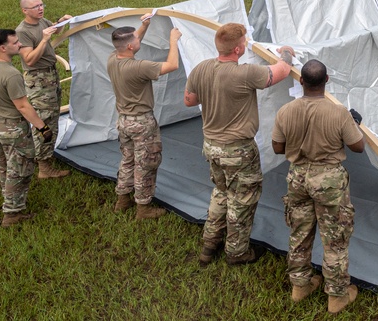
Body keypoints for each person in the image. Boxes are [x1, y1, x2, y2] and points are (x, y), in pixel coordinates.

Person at [183, 24, 295, 267]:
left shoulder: (201, 68)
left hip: (211, 146)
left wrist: (213, 93)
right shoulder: (246, 73)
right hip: (238, 150)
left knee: (221, 192)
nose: (246, 44)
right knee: (241, 200)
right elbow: (282, 71)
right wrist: (286, 52)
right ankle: (237, 252)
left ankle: (209, 244)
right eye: (244, 42)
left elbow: (189, 100)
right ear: (237, 49)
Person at [272, 60, 365, 314]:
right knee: (335, 238)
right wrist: (354, 124)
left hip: (298, 178)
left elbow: (278, 148)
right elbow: (358, 147)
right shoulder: (338, 113)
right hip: (329, 181)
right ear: (327, 80)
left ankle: (300, 285)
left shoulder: (285, 111)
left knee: (299, 233)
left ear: (301, 81)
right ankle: (337, 296)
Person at [107, 15, 182, 220]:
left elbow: (131, 40)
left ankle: (122, 199)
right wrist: (173, 41)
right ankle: (143, 207)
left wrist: (144, 25)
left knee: (128, 159)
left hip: (123, 120)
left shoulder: (113, 58)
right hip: (142, 123)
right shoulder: (139, 67)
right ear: (131, 47)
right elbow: (172, 65)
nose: (139, 40)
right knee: (147, 163)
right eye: (137, 40)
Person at [0, 29, 54, 227]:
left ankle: (10, 199)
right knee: (19, 170)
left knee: (3, 167)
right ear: (3, 48)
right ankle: (12, 213)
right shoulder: (11, 75)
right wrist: (42, 127)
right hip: (13, 130)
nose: (19, 45)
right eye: (15, 43)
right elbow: (22, 106)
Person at [16, 0, 73, 179]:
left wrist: (60, 23)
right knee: (44, 121)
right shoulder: (22, 31)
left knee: (53, 115)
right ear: (25, 10)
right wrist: (43, 40)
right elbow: (30, 60)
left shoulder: (42, 21)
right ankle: (44, 167)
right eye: (35, 7)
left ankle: (46, 157)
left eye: (42, 5)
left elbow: (54, 31)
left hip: (50, 75)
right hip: (38, 78)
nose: (41, 9)